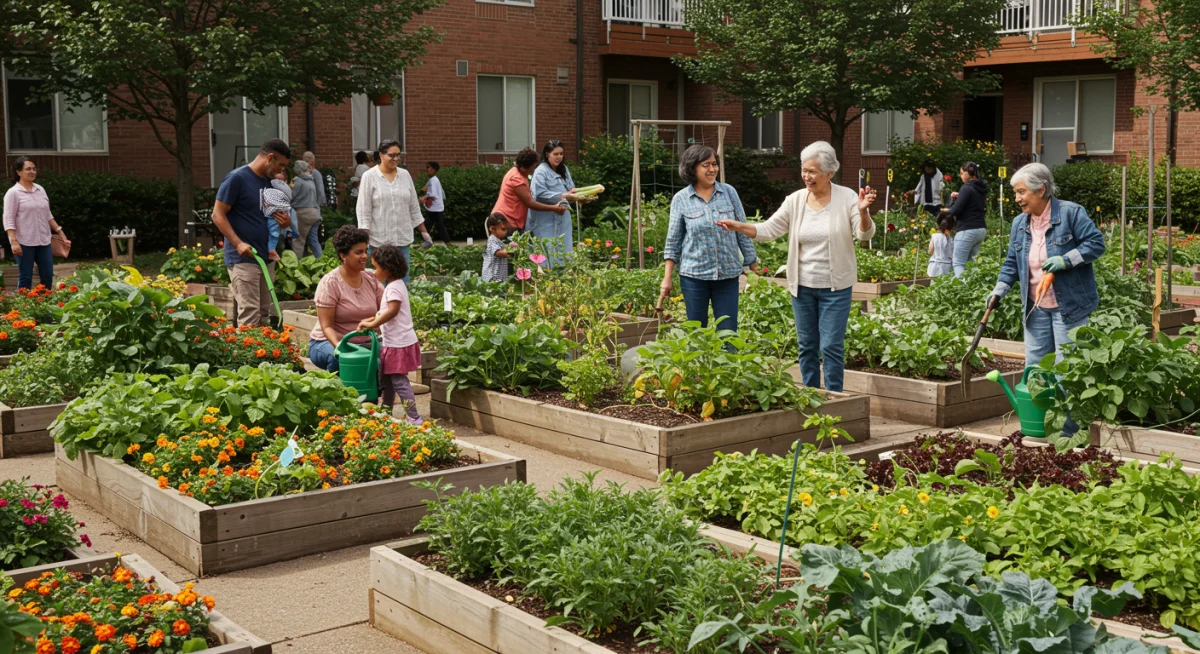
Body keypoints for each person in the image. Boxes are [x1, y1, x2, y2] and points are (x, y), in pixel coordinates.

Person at [716, 141, 877, 392]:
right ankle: (811, 396)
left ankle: (835, 399)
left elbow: (864, 236)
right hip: (802, 287)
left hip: (835, 288)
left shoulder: (847, 198)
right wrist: (739, 226)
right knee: (807, 345)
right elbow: (769, 230)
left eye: (812, 171)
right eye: (804, 170)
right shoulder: (795, 200)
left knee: (831, 346)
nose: (806, 176)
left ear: (829, 173)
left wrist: (864, 212)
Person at [988, 162, 1105, 435]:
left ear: (1041, 189)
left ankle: (1068, 432)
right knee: (1037, 370)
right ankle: (1039, 426)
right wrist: (998, 291)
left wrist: (1065, 260)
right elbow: (1010, 263)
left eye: (1021, 192)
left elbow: (1096, 244)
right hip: (1035, 307)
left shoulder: (1071, 213)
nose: (1016, 198)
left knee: (1067, 371)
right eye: (1015, 193)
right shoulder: (1020, 223)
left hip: (1070, 307)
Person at [660, 144, 759, 334]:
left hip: (727, 274)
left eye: (714, 164)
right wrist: (667, 279)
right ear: (692, 167)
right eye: (706, 165)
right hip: (694, 276)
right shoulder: (681, 199)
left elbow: (742, 228)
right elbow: (673, 241)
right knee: (697, 331)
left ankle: (729, 362)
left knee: (728, 331)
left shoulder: (729, 193)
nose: (712, 169)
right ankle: (699, 364)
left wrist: (751, 261)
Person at [212, 139, 292, 326]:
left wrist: (285, 222)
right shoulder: (237, 178)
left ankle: (263, 354)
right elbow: (217, 215)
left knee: (264, 313)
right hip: (243, 259)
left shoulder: (269, 183)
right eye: (280, 165)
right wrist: (238, 243)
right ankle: (247, 355)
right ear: (270, 158)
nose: (281, 171)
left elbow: (270, 217)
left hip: (266, 258)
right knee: (250, 314)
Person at [357, 244, 423, 424]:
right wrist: (371, 320)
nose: (373, 272)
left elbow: (392, 311)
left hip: (398, 343)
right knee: (387, 379)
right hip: (395, 341)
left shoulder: (393, 288)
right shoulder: (395, 285)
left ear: (387, 268)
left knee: (399, 380)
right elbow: (384, 312)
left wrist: (373, 325)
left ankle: (414, 416)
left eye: (376, 267)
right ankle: (385, 411)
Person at [356, 139, 434, 286]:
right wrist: (364, 241)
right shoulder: (370, 177)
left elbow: (413, 207)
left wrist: (424, 233)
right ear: (381, 155)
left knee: (401, 284)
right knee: (380, 285)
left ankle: (400, 309)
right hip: (379, 241)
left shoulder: (405, 175)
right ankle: (381, 309)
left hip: (402, 240)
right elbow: (363, 210)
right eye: (392, 155)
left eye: (398, 155)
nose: (396, 159)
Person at [308, 226, 385, 372]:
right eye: (358, 252)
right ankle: (338, 393)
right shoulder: (330, 283)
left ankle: (375, 394)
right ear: (343, 255)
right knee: (341, 359)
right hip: (328, 341)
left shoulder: (371, 279)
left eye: (365, 251)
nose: (364, 256)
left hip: (365, 341)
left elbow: (385, 311)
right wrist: (341, 349)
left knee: (387, 357)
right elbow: (327, 327)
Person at [3, 156, 71, 290]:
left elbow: (48, 215)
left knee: (47, 276)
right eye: (28, 169)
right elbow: (8, 218)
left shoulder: (40, 190)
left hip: (44, 241)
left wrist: (60, 233)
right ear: (18, 172)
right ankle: (22, 309)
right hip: (24, 242)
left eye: (34, 169)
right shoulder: (13, 193)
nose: (32, 172)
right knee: (25, 278)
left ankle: (44, 306)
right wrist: (14, 242)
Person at [530, 140, 591, 268]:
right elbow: (539, 194)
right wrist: (563, 196)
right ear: (547, 154)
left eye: (561, 154)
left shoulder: (564, 169)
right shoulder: (541, 171)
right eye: (555, 154)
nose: (559, 157)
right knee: (546, 250)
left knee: (564, 249)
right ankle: (545, 280)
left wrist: (580, 196)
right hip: (545, 219)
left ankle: (563, 279)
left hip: (563, 218)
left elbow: (571, 189)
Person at [491, 147, 565, 235]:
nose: (535, 169)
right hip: (506, 223)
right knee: (509, 248)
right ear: (523, 168)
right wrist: (554, 208)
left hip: (505, 219)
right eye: (533, 167)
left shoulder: (514, 171)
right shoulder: (517, 179)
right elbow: (529, 203)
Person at [946, 161, 989, 276]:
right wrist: (958, 198)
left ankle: (962, 291)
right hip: (980, 229)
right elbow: (971, 203)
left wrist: (946, 211)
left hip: (967, 229)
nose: (960, 176)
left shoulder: (967, 187)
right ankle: (972, 288)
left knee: (958, 263)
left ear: (969, 173)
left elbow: (955, 210)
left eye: (961, 173)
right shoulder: (981, 187)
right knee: (970, 262)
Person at [290, 160, 322, 258]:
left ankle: (296, 266)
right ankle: (322, 261)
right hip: (315, 213)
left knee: (298, 241)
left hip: (303, 213)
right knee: (313, 240)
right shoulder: (310, 180)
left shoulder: (296, 180)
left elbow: (291, 195)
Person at [421, 162, 451, 246]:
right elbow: (426, 189)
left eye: (430, 168)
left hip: (435, 208)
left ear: (435, 170)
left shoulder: (433, 180)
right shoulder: (433, 180)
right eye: (427, 167)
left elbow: (433, 194)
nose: (428, 169)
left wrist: (424, 197)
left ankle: (447, 243)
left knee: (437, 225)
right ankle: (427, 243)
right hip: (435, 207)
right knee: (429, 225)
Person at [482, 213, 516, 283]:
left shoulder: (498, 241)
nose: (505, 232)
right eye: (503, 229)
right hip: (492, 277)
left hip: (499, 276)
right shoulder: (492, 240)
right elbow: (500, 253)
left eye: (506, 229)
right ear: (492, 229)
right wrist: (513, 248)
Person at [927, 211, 955, 278]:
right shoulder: (950, 239)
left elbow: (930, 251)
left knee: (934, 284)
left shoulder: (934, 237)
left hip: (934, 265)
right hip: (947, 266)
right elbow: (953, 252)